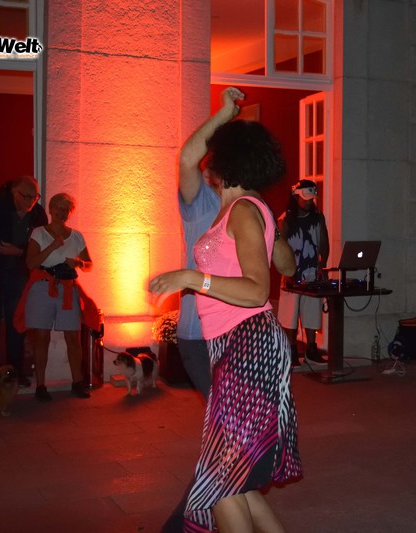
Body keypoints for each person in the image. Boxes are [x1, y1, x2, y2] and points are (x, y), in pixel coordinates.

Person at [150, 118, 302, 532]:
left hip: (247, 344)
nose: (206, 162)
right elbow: (187, 157)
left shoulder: (244, 210)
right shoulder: (239, 208)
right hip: (233, 345)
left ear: (227, 162)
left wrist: (190, 278)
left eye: (213, 155)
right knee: (230, 474)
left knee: (219, 481)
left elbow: (257, 290)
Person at [19, 193, 94, 402]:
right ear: (50, 209)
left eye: (66, 209)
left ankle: (77, 382)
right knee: (41, 337)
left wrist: (79, 263)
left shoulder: (76, 236)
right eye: (58, 208)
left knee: (73, 337)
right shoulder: (39, 233)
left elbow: (89, 264)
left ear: (70, 213)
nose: (62, 212)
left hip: (67, 289)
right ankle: (40, 385)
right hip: (43, 287)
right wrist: (52, 246)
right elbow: (31, 263)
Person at [0, 176, 47, 385]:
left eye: (35, 196)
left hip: (18, 271)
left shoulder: (37, 213)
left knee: (16, 321)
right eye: (26, 196)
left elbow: (40, 247)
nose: (31, 201)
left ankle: (14, 373)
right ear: (14, 193)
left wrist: (18, 251)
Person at [278, 179, 329, 364]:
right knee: (289, 314)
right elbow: (280, 249)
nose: (309, 202)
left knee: (312, 311)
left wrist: (322, 266)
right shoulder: (285, 220)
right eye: (305, 198)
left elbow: (324, 242)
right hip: (291, 272)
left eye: (311, 198)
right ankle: (291, 350)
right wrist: (286, 272)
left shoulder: (318, 217)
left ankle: (311, 348)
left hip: (312, 271)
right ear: (296, 196)